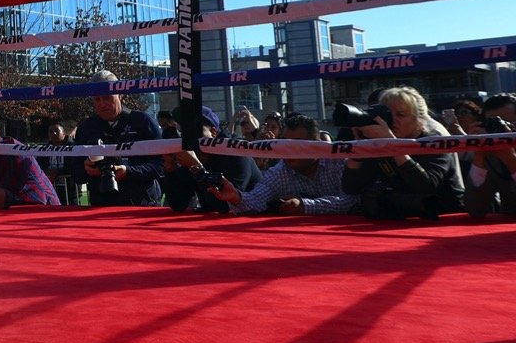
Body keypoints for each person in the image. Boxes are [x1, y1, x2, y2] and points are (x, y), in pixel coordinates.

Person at [341, 86, 464, 220]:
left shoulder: (434, 140)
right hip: (401, 215)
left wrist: (392, 145)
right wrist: (359, 150)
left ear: (420, 119)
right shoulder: (381, 143)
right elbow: (351, 188)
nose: (393, 120)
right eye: (388, 114)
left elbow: (426, 186)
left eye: (400, 115)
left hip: (447, 216)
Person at [211, 115, 358, 216]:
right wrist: (237, 197)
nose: (290, 150)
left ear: (317, 144)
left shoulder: (338, 163)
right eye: (285, 144)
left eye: (298, 144)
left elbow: (353, 199)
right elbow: (256, 200)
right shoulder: (280, 171)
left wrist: (307, 206)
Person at [66, 70, 163, 207]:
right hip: (100, 205)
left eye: (107, 97)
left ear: (120, 94)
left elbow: (161, 165)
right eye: (97, 99)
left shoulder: (142, 122)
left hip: (141, 204)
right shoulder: (86, 128)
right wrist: (86, 168)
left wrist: (128, 171)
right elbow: (75, 173)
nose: (102, 104)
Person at [162, 106, 261, 214]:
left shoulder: (235, 153)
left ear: (213, 132)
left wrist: (197, 168)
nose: (189, 137)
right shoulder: (194, 155)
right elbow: (178, 204)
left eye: (195, 131)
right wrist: (170, 169)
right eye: (184, 131)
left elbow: (225, 206)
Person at [462, 94, 516, 218]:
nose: (501, 130)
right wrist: (478, 156)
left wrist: (511, 160)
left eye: (509, 124)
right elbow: (475, 210)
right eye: (493, 124)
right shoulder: (491, 156)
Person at [37, 118, 78, 205]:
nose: (53, 134)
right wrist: (46, 172)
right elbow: (38, 166)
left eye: (56, 131)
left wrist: (58, 172)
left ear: (63, 133)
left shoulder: (73, 147)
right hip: (51, 190)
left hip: (70, 190)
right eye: (51, 132)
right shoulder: (44, 149)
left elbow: (75, 165)